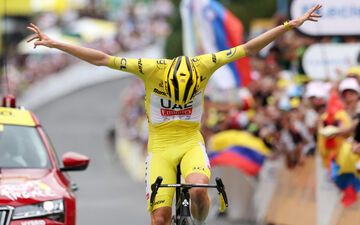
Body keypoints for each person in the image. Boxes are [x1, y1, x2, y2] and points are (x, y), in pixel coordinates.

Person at [26, 4, 322, 225]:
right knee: (160, 219)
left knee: (197, 192)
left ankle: (200, 217)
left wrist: (288, 25)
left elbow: (247, 47)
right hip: (161, 146)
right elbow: (102, 59)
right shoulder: (150, 68)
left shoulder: (205, 63)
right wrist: (57, 44)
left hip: (190, 141)